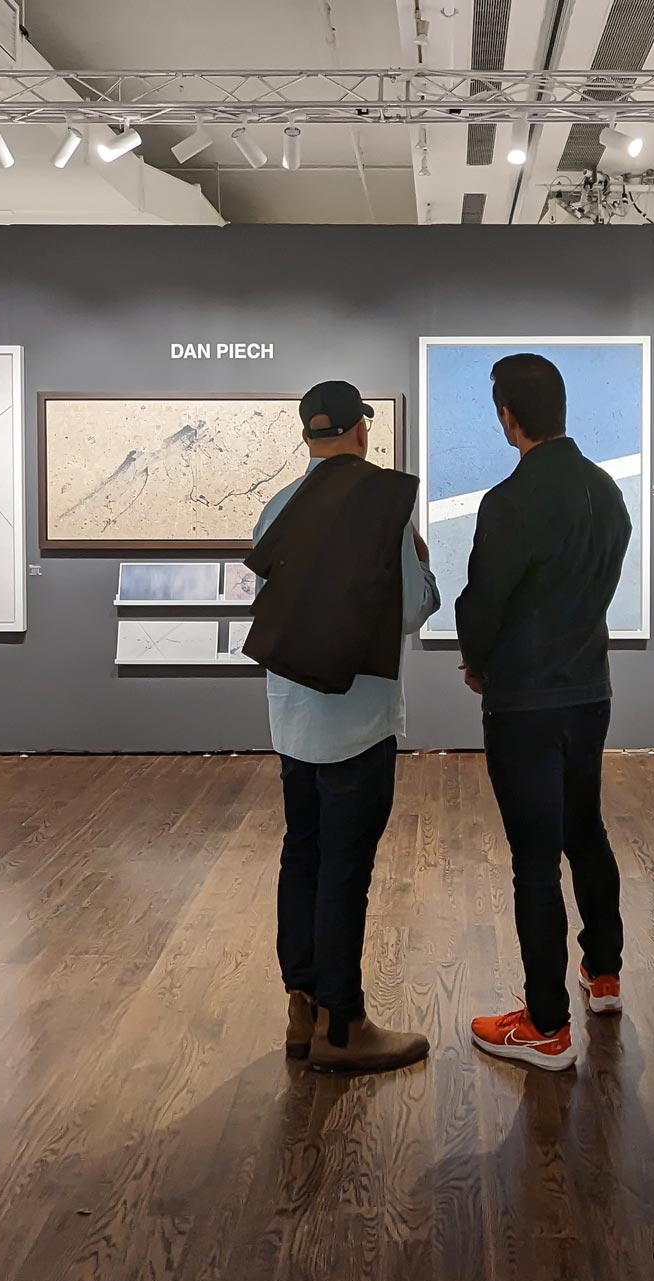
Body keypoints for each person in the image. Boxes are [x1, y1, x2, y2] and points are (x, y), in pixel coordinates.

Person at [241, 380, 439, 1074]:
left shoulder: (276, 507)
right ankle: (343, 1024)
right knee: (345, 868)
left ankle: (302, 1008)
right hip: (357, 721)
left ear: (306, 435)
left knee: (302, 853)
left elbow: (271, 604)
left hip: (293, 718)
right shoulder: (386, 502)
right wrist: (423, 569)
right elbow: (409, 612)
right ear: (363, 429)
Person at [455, 353, 631, 1072]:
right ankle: (604, 973)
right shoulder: (606, 491)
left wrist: (477, 661)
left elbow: (483, 601)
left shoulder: (510, 500)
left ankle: (547, 1026)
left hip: (525, 701)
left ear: (508, 418)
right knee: (585, 829)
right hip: (589, 690)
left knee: (535, 859)